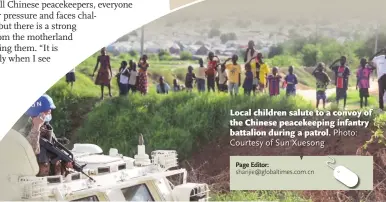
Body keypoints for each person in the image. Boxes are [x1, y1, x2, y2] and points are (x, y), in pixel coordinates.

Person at [21, 94, 71, 177]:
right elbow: (30, 152)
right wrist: (36, 127)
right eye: (47, 109)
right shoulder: (24, 133)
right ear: (37, 111)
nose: (50, 111)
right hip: (34, 183)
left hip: (52, 181)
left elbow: (54, 156)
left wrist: (65, 165)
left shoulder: (48, 129)